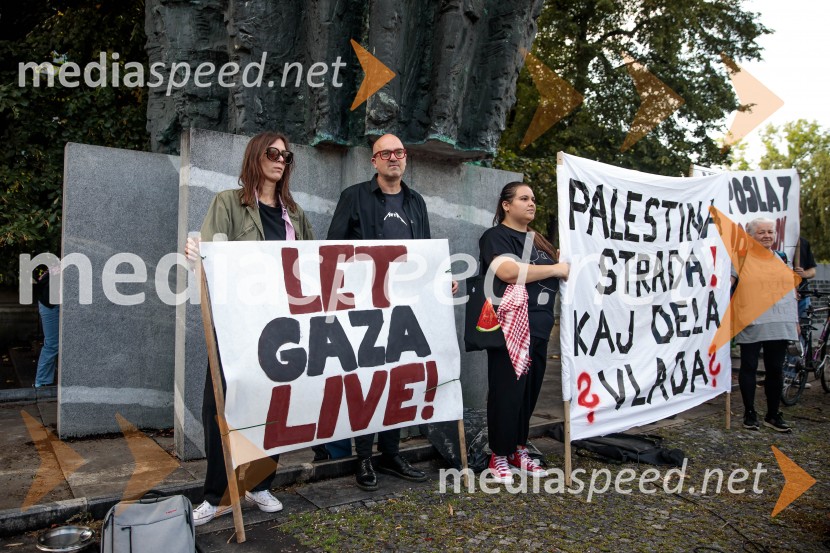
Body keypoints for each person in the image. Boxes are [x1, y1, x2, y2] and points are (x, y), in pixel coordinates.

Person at [185, 131, 315, 525]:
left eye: (286, 156)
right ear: (256, 155)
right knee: (221, 406)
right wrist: (199, 254)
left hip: (281, 326)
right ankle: (217, 493)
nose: (280, 160)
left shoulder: (295, 212)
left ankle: (259, 483)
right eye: (273, 153)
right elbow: (211, 257)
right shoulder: (228, 202)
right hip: (236, 323)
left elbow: (312, 264)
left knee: (272, 405)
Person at [326, 133, 456, 491]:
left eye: (399, 152)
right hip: (366, 307)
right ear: (374, 161)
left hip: (407, 307)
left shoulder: (416, 202)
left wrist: (443, 279)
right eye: (386, 153)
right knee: (369, 378)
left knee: (399, 377)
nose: (393, 158)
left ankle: (391, 453)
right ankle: (364, 455)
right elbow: (332, 250)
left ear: (405, 158)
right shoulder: (353, 197)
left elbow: (428, 251)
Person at [478, 182, 569, 482]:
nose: (531, 203)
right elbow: (508, 272)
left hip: (540, 327)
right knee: (506, 393)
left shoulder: (538, 239)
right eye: (523, 198)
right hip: (510, 330)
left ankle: (518, 448)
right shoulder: (495, 236)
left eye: (533, 198)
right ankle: (498, 455)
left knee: (528, 394)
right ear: (506, 205)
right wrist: (556, 269)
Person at [731, 218, 798, 433]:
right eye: (761, 232)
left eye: (770, 231)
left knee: (775, 369)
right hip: (751, 320)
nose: (767, 235)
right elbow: (726, 286)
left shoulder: (781, 258)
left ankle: (773, 414)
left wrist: (794, 320)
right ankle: (750, 413)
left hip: (779, 321)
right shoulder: (741, 258)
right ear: (750, 236)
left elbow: (791, 292)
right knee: (749, 366)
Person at [34, 267, 60, 387]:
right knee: (52, 344)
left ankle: (44, 381)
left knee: (53, 344)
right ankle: (42, 382)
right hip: (50, 305)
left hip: (52, 302)